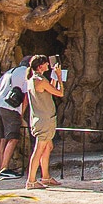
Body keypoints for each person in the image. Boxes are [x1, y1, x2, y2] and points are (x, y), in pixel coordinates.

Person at [0, 57, 32, 179]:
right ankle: (4, 169)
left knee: (2, 138)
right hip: (11, 109)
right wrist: (21, 114)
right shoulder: (26, 73)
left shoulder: (10, 72)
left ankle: (1, 167)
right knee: (13, 138)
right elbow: (26, 96)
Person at [25, 55, 66, 188]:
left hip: (40, 118)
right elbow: (59, 93)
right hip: (44, 120)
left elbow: (49, 90)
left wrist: (53, 77)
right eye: (46, 64)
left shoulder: (34, 80)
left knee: (48, 147)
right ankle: (31, 181)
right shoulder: (40, 81)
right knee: (39, 149)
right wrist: (60, 77)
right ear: (40, 66)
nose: (48, 66)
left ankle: (45, 176)